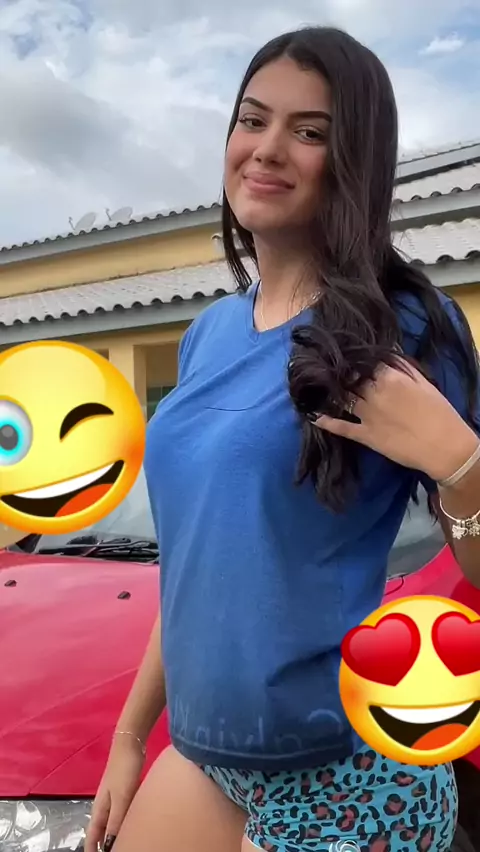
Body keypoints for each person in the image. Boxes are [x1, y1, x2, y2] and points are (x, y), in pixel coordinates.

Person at [85, 26, 480, 852]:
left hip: (351, 772)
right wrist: (129, 737)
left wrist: (460, 462)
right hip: (208, 755)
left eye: (309, 131)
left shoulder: (407, 325)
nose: (266, 149)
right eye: (252, 119)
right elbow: (194, 567)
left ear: (354, 161)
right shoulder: (208, 333)